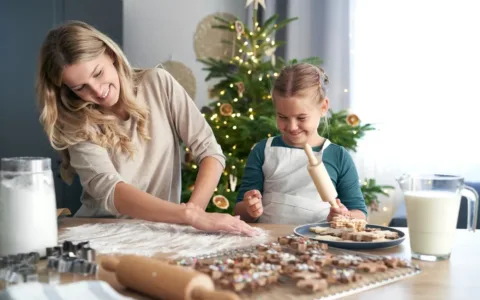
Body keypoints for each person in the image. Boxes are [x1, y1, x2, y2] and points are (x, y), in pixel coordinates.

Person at [35, 20, 256, 236]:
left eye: (98, 73)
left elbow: (209, 152)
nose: (97, 91)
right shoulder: (75, 122)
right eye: (81, 87)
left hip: (164, 230)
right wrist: (190, 216)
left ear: (110, 54)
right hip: (103, 232)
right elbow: (111, 191)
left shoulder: (158, 84)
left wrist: (193, 215)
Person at [233, 63, 368, 224]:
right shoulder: (263, 150)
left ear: (323, 107)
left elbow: (360, 213)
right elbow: (240, 211)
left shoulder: (338, 156)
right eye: (282, 117)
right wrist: (250, 208)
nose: (291, 127)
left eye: (301, 118)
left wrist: (344, 216)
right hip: (270, 242)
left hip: (319, 244)